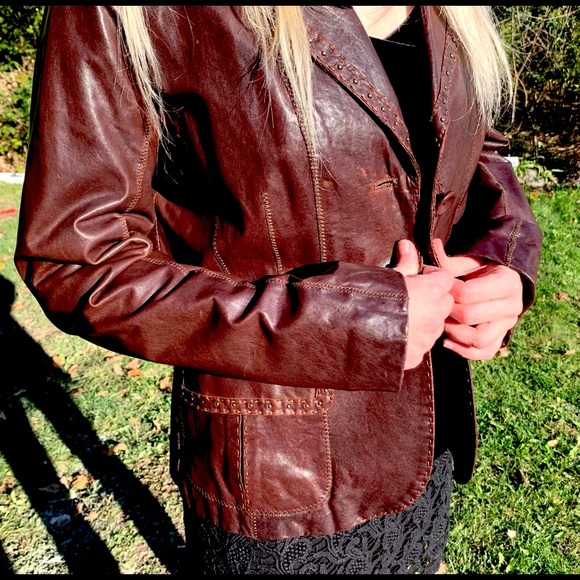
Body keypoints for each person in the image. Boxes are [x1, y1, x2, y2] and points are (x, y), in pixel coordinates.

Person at [15, 5, 542, 575]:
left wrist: (502, 256)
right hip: (281, 470)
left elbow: (479, 150)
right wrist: (354, 325)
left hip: (426, 431)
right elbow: (78, 261)